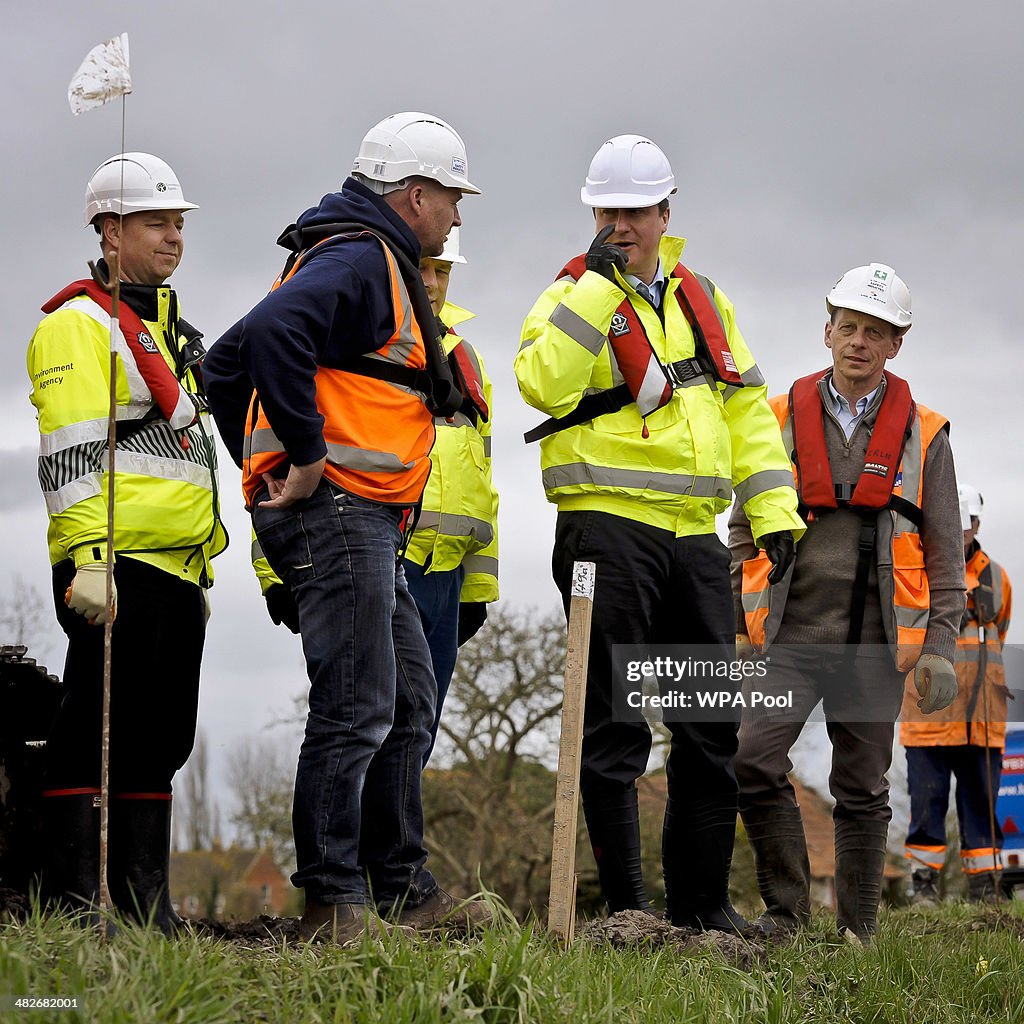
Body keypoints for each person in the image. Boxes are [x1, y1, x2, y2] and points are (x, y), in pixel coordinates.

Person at [202, 112, 491, 943]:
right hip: (341, 512)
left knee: (405, 696)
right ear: (414, 194)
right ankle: (334, 900)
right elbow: (273, 337)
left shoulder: (352, 253)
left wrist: (268, 472)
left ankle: (398, 886)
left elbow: (225, 363)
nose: (457, 218)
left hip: (351, 514)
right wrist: (302, 458)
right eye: (452, 199)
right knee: (358, 703)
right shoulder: (365, 256)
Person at [514, 134, 805, 932]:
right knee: (612, 726)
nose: (620, 224)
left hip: (695, 540)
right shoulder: (569, 293)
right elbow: (540, 383)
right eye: (606, 209)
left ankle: (703, 911)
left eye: (634, 210)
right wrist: (599, 293)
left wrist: (774, 508)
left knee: (709, 727)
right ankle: (627, 915)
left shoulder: (704, 299)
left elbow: (745, 409)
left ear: (664, 213)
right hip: (606, 532)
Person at [730, 263, 965, 941]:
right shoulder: (774, 418)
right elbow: (741, 532)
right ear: (827, 330)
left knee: (863, 789)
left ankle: (858, 935)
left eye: (876, 332)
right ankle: (787, 914)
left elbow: (946, 552)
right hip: (789, 637)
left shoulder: (928, 432)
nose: (859, 341)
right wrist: (737, 619)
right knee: (753, 759)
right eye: (849, 326)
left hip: (875, 645)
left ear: (897, 345)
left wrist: (941, 650)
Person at [27, 152, 226, 931]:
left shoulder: (166, 331)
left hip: (175, 570)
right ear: (110, 233)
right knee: (90, 732)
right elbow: (71, 454)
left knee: (160, 739)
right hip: (113, 565)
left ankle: (149, 911)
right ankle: (75, 908)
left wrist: (199, 571)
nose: (174, 237)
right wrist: (89, 558)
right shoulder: (78, 326)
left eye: (178, 223)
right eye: (156, 222)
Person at [405, 227, 499, 763]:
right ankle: (358, 852)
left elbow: (482, 478)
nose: (434, 283)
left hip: (448, 576)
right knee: (377, 732)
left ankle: (400, 852)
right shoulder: (358, 343)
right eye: (423, 268)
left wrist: (478, 586)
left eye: (442, 271)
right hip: (389, 563)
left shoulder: (468, 359)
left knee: (420, 736)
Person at [900, 483, 1013, 903]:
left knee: (981, 805)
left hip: (983, 718)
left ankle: (985, 887)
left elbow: (999, 631)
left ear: (977, 524)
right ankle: (923, 886)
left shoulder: (997, 578)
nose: (960, 532)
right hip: (928, 715)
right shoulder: (920, 572)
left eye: (966, 525)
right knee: (927, 805)